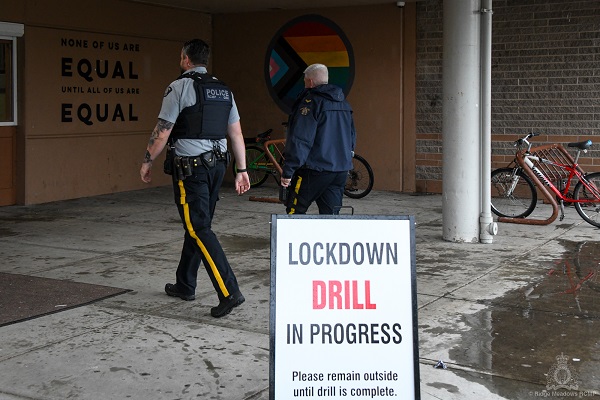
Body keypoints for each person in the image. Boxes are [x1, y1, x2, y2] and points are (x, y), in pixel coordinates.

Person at [140, 39, 250, 318]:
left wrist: (147, 160)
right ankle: (185, 284)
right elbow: (235, 133)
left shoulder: (178, 87)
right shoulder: (224, 90)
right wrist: (241, 169)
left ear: (186, 60)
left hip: (192, 169)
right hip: (216, 166)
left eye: (181, 57)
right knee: (198, 224)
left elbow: (162, 131)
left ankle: (229, 292)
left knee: (199, 227)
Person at [279, 63, 356, 214]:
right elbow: (352, 136)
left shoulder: (310, 103)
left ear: (310, 82)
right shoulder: (344, 103)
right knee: (331, 215)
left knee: (295, 210)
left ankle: (295, 238)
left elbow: (301, 139)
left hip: (314, 169)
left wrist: (289, 170)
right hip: (340, 170)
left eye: (305, 80)